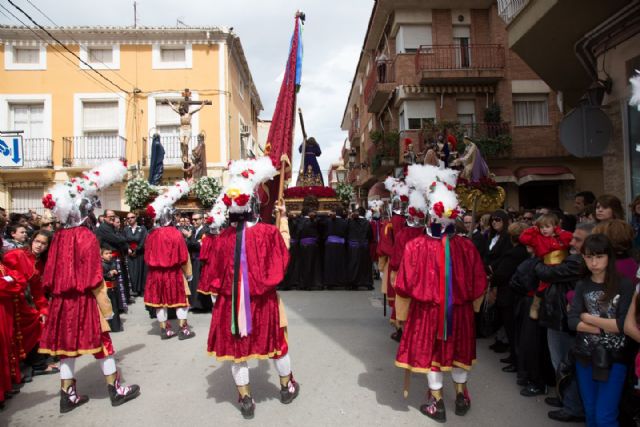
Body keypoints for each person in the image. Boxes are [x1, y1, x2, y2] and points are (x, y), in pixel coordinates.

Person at [200, 157, 299, 419]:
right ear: (254, 205)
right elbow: (283, 255)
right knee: (278, 345)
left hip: (231, 305)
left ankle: (245, 398)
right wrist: (284, 220)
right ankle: (287, 385)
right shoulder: (268, 233)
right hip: (263, 302)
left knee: (238, 354)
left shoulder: (222, 238)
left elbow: (212, 276)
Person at [38, 160, 140, 413]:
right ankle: (115, 390)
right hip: (84, 299)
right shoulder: (85, 236)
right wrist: (107, 308)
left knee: (65, 349)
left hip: (61, 302)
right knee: (103, 344)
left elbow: (49, 276)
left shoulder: (58, 236)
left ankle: (67, 394)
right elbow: (94, 277)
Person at [394, 169, 486, 422]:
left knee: (433, 355)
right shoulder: (467, 246)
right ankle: (461, 395)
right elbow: (479, 283)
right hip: (461, 312)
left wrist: (401, 315)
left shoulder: (415, 246)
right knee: (458, 353)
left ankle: (437, 402)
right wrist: (473, 306)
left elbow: (402, 285)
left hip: (427, 313)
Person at [568, 234, 634, 427]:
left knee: (605, 415)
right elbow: (572, 322)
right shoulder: (582, 284)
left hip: (614, 358)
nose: (594, 262)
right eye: (589, 257)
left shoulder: (624, 284)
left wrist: (586, 317)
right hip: (585, 355)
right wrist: (606, 325)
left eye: (599, 256)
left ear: (609, 257)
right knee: (590, 410)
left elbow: (622, 325)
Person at [534, 222, 594, 422]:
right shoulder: (573, 257)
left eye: (578, 239)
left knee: (564, 363)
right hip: (558, 315)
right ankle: (565, 398)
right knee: (559, 362)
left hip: (564, 319)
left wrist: (540, 260)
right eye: (573, 237)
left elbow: (546, 272)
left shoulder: (578, 261)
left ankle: (572, 406)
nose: (572, 242)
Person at [2, 230, 58, 381]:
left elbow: (38, 291)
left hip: (27, 301)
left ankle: (39, 360)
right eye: (37, 241)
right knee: (34, 322)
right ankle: (37, 364)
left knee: (45, 317)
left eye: (43, 243)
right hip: (12, 300)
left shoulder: (41, 263)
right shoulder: (17, 255)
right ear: (32, 240)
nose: (39, 246)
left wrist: (44, 309)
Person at [144, 180, 194, 340]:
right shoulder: (175, 233)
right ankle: (183, 329)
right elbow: (183, 256)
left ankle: (165, 329)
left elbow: (146, 257)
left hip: (156, 274)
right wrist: (189, 273)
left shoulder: (152, 234)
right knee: (181, 301)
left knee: (160, 303)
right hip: (173, 273)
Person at [490, 222, 529, 374]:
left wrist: (492, 280)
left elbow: (501, 274)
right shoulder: (520, 251)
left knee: (513, 330)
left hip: (509, 295)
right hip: (514, 295)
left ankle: (516, 360)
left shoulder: (514, 253)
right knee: (513, 330)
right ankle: (514, 356)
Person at [519, 213, 573, 320]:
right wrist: (534, 229)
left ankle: (570, 305)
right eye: (542, 227)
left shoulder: (560, 236)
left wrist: (558, 231)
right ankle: (535, 306)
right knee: (542, 288)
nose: (544, 230)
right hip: (547, 266)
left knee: (568, 288)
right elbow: (523, 238)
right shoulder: (538, 238)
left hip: (563, 267)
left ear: (555, 226)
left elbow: (570, 238)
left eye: (547, 227)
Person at [0, 256, 25, 410]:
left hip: (6, 309)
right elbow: (5, 285)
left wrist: (12, 282)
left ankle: (5, 388)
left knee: (7, 346)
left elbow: (19, 278)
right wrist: (12, 282)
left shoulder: (2, 264)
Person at [95, 210, 133, 309]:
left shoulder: (111, 227)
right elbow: (116, 239)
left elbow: (119, 238)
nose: (112, 218)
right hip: (110, 259)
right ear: (105, 217)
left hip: (116, 256)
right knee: (116, 282)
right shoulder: (104, 228)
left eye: (113, 216)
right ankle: (118, 305)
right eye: (110, 216)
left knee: (120, 281)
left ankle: (121, 303)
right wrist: (125, 239)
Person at [186, 211, 211, 311]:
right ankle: (194, 303)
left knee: (199, 282)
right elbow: (191, 244)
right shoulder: (193, 230)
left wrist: (190, 238)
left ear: (202, 220)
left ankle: (202, 305)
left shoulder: (206, 231)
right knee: (193, 282)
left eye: (196, 220)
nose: (194, 222)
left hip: (200, 260)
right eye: (193, 220)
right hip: (193, 259)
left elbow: (199, 246)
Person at [347, 207, 374, 290]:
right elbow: (370, 236)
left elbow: (346, 233)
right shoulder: (367, 223)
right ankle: (367, 283)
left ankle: (354, 283)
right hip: (364, 247)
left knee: (354, 264)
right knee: (365, 265)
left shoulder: (350, 222)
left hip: (353, 247)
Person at [322, 206, 348, 289]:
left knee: (330, 263)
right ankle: (341, 282)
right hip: (340, 245)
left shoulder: (328, 221)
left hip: (330, 246)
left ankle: (330, 282)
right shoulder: (345, 222)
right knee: (340, 263)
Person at [297, 207, 322, 290]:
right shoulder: (315, 220)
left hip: (302, 246)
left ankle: (303, 284)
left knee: (303, 265)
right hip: (312, 246)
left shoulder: (300, 221)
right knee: (312, 265)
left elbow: (298, 232)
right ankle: (311, 284)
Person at [124, 212, 147, 297]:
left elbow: (143, 240)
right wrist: (128, 248)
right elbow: (124, 240)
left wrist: (136, 250)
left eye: (132, 217)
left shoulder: (142, 228)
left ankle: (141, 289)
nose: (130, 219)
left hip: (140, 253)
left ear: (135, 218)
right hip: (130, 254)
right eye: (128, 218)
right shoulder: (126, 229)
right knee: (132, 271)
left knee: (141, 271)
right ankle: (134, 289)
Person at [100, 247, 123, 332]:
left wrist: (116, 272)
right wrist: (109, 273)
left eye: (110, 253)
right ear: (101, 256)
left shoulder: (112, 262)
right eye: (106, 253)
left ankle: (116, 326)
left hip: (114, 288)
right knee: (107, 308)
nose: (109, 255)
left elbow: (116, 273)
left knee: (115, 307)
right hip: (106, 289)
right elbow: (102, 276)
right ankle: (108, 325)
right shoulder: (101, 265)